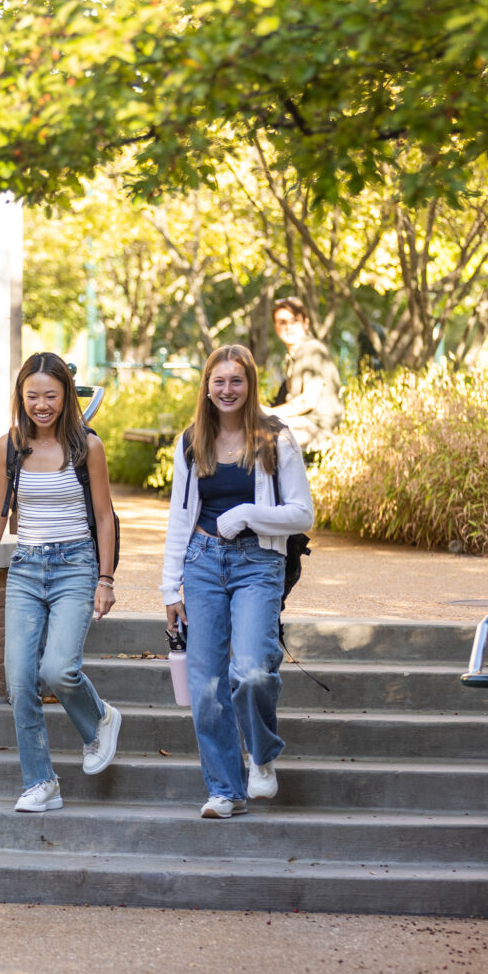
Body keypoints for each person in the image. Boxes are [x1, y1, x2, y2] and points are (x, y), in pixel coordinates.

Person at [161, 344, 314, 819]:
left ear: (250, 386)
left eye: (236, 381)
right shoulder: (192, 441)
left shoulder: (275, 439)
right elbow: (178, 518)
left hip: (257, 564)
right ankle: (225, 788)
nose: (227, 390)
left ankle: (262, 756)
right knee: (206, 684)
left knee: (249, 671)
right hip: (202, 562)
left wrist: (248, 514)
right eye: (219, 381)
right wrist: (170, 588)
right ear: (206, 386)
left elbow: (303, 513)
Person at [0, 352, 121, 813]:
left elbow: (104, 516)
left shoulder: (86, 447)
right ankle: (40, 782)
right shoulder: (10, 447)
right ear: (20, 396)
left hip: (76, 565)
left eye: (50, 396)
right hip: (26, 570)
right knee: (20, 682)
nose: (41, 404)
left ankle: (100, 718)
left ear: (66, 397)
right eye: (32, 395)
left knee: (58, 669)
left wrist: (106, 578)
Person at [266, 296, 343, 454]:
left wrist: (266, 414)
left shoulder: (312, 350)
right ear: (275, 326)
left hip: (318, 430)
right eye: (282, 322)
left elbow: (307, 401)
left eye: (294, 320)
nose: (288, 327)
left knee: (261, 438)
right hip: (300, 424)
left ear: (305, 323)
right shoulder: (294, 355)